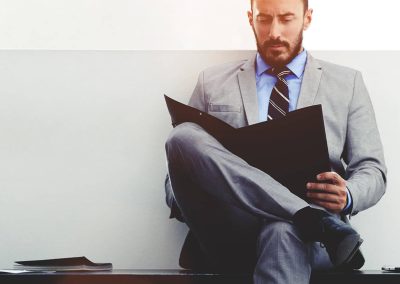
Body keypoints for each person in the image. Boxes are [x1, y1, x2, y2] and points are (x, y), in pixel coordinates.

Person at [164, 0, 387, 282]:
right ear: (250, 19)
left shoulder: (347, 83)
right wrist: (197, 190)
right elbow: (175, 179)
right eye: (265, 19)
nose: (274, 32)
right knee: (182, 137)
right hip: (230, 228)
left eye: (286, 19)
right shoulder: (212, 82)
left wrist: (348, 194)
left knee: (284, 230)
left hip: (307, 240)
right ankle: (307, 217)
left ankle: (305, 219)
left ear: (307, 19)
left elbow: (373, 170)